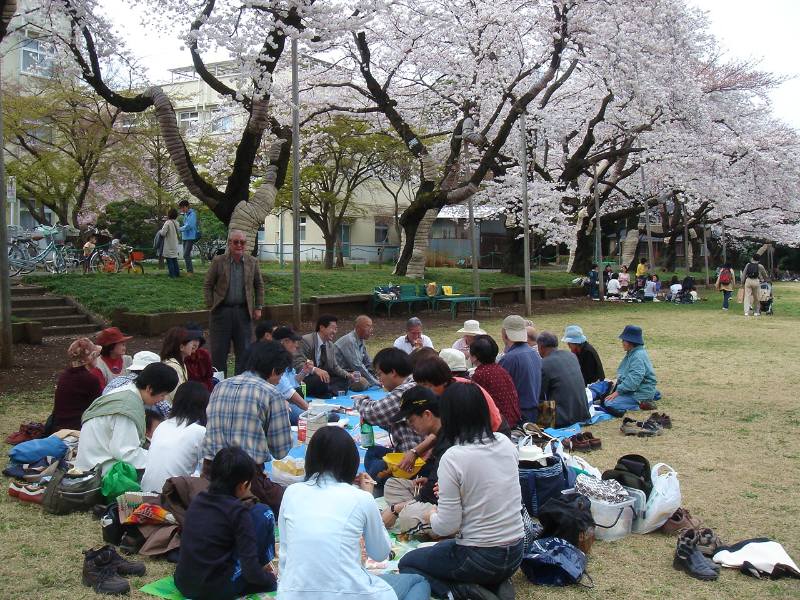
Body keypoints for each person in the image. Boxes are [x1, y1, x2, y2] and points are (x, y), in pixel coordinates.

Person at [398, 383, 523, 600]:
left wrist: (431, 515)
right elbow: (489, 489)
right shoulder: (505, 442)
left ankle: (459, 593)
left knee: (408, 563)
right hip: (515, 552)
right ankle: (498, 585)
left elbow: (447, 525)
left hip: (480, 555)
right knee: (445, 549)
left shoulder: (454, 457)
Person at [278, 426, 431, 600]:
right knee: (418, 582)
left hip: (291, 593)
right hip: (347, 594)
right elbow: (380, 553)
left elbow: (285, 552)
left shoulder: (291, 492)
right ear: (351, 461)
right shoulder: (361, 498)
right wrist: (368, 497)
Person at [174, 447, 278, 600]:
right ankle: (265, 567)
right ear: (243, 486)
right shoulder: (238, 512)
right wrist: (269, 580)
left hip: (184, 583)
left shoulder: (198, 500)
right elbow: (249, 570)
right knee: (264, 513)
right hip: (215, 590)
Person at [202, 341, 292, 514]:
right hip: (246, 478)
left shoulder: (220, 386)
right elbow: (280, 450)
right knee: (288, 500)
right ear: (274, 371)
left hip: (210, 474)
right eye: (280, 375)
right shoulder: (271, 394)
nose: (280, 380)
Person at [74, 363, 179, 475]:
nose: (162, 400)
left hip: (91, 462)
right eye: (162, 395)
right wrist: (161, 458)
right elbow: (126, 453)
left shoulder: (125, 392)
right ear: (149, 388)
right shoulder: (127, 406)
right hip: (100, 471)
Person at [381, 387, 448, 535]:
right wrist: (428, 480)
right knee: (392, 484)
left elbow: (433, 495)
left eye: (411, 421)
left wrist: (396, 509)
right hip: (437, 495)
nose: (411, 426)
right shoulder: (439, 435)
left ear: (427, 415)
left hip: (449, 508)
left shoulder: (448, 445)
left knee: (408, 517)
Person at [204, 229, 264, 375]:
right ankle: (219, 385)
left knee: (244, 352)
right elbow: (208, 284)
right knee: (219, 353)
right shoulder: (219, 261)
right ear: (230, 243)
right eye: (235, 242)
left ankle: (240, 386)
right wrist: (211, 305)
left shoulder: (252, 262)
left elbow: (259, 285)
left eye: (242, 242)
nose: (239, 245)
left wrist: (258, 307)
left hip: (243, 313)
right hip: (221, 312)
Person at [354, 348, 420, 476]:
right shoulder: (412, 383)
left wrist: (359, 400)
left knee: (376, 468)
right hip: (412, 452)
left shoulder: (405, 392)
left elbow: (373, 413)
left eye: (380, 375)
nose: (379, 380)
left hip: (414, 461)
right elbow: (392, 419)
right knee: (373, 452)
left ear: (393, 372)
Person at [141, 381, 209, 492]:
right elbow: (205, 473)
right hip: (172, 498)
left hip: (146, 493)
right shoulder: (199, 431)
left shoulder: (162, 426)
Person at [295, 315, 362, 398]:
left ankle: (327, 390)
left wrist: (348, 375)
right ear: (322, 327)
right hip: (307, 378)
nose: (335, 331)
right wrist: (315, 370)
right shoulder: (306, 341)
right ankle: (327, 391)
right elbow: (298, 364)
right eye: (332, 328)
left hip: (324, 378)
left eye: (336, 329)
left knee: (343, 379)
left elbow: (335, 367)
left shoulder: (330, 345)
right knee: (320, 380)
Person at [49, 338, 104, 433]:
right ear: (91, 358)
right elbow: (98, 408)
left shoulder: (64, 375)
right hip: (79, 429)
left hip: (58, 426)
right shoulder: (90, 379)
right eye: (96, 356)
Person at [536, 332, 591, 427]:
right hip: (583, 413)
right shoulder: (572, 356)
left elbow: (540, 394)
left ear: (540, 347)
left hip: (562, 419)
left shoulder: (543, 364)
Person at [469, 335, 521, 428]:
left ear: (475, 357)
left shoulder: (480, 374)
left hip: (500, 425)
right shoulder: (500, 369)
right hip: (513, 420)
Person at [498, 315, 542, 423]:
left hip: (520, 417)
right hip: (536, 413)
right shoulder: (535, 354)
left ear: (505, 334)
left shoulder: (509, 359)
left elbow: (501, 394)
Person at [604, 325, 659, 411]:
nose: (622, 342)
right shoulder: (634, 352)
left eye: (624, 340)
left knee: (609, 403)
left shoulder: (637, 356)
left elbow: (635, 378)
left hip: (638, 392)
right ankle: (648, 397)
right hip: (639, 389)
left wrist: (618, 392)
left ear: (630, 342)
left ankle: (642, 405)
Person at [272, 327, 312, 425]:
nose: (297, 345)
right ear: (284, 342)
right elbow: (288, 391)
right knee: (307, 420)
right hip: (277, 402)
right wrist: (311, 412)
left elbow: (293, 382)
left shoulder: (286, 358)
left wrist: (304, 372)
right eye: (294, 341)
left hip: (287, 400)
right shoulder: (275, 359)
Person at [335, 315, 380, 388]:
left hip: (354, 373)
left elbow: (368, 362)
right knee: (362, 383)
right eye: (368, 326)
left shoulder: (361, 339)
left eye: (371, 327)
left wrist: (379, 373)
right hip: (341, 375)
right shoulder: (349, 341)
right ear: (358, 328)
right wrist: (375, 382)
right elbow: (357, 366)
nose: (371, 329)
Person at [160, 326, 202, 404]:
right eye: (191, 342)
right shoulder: (173, 367)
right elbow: (178, 397)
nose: (193, 345)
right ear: (181, 347)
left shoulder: (180, 364)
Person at [183, 324, 215, 392]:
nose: (194, 344)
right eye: (191, 340)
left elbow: (209, 377)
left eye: (197, 340)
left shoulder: (204, 354)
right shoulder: (181, 357)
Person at [177, 199, 198, 275]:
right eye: (181, 208)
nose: (181, 210)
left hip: (190, 237)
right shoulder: (186, 214)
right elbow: (186, 225)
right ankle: (189, 271)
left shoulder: (192, 214)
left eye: (182, 208)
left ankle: (190, 272)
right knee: (185, 255)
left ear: (186, 206)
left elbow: (189, 225)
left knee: (186, 254)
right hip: (185, 237)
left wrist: (180, 229)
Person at [160, 207, 181, 278]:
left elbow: (163, 233)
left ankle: (172, 275)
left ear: (169, 215)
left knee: (169, 261)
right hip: (175, 244)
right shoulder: (177, 223)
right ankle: (177, 274)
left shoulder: (167, 222)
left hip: (168, 244)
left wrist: (160, 232)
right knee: (174, 260)